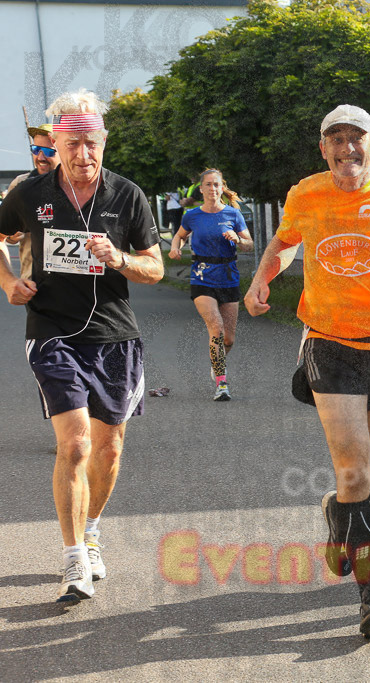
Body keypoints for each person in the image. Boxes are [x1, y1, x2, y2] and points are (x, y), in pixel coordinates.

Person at [244, 104, 370, 637]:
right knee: (355, 471)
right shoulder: (306, 193)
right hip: (329, 343)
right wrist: (261, 279)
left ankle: (340, 511)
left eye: (356, 139)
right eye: (335, 139)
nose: (346, 148)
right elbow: (285, 242)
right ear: (324, 148)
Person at [0, 89, 164, 603]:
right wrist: (8, 282)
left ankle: (91, 529)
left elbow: (155, 268)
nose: (82, 154)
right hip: (51, 328)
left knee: (110, 447)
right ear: (58, 143)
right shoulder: (29, 193)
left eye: (91, 144)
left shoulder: (127, 195)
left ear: (103, 143)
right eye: (72, 144)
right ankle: (73, 558)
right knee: (74, 443)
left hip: (114, 334)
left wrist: (117, 258)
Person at [169, 169, 252, 400]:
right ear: (202, 189)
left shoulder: (234, 215)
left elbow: (250, 244)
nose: (212, 189)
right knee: (216, 328)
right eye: (208, 185)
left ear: (221, 187)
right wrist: (176, 247)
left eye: (217, 185)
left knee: (229, 339)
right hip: (202, 277)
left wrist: (239, 239)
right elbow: (180, 235)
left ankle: (217, 364)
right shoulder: (193, 215)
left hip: (228, 276)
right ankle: (222, 383)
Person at [5, 123, 59, 279]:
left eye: (49, 151)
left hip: (75, 285)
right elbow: (5, 235)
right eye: (36, 150)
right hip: (33, 283)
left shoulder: (79, 187)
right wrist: (12, 236)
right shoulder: (21, 184)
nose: (40, 157)